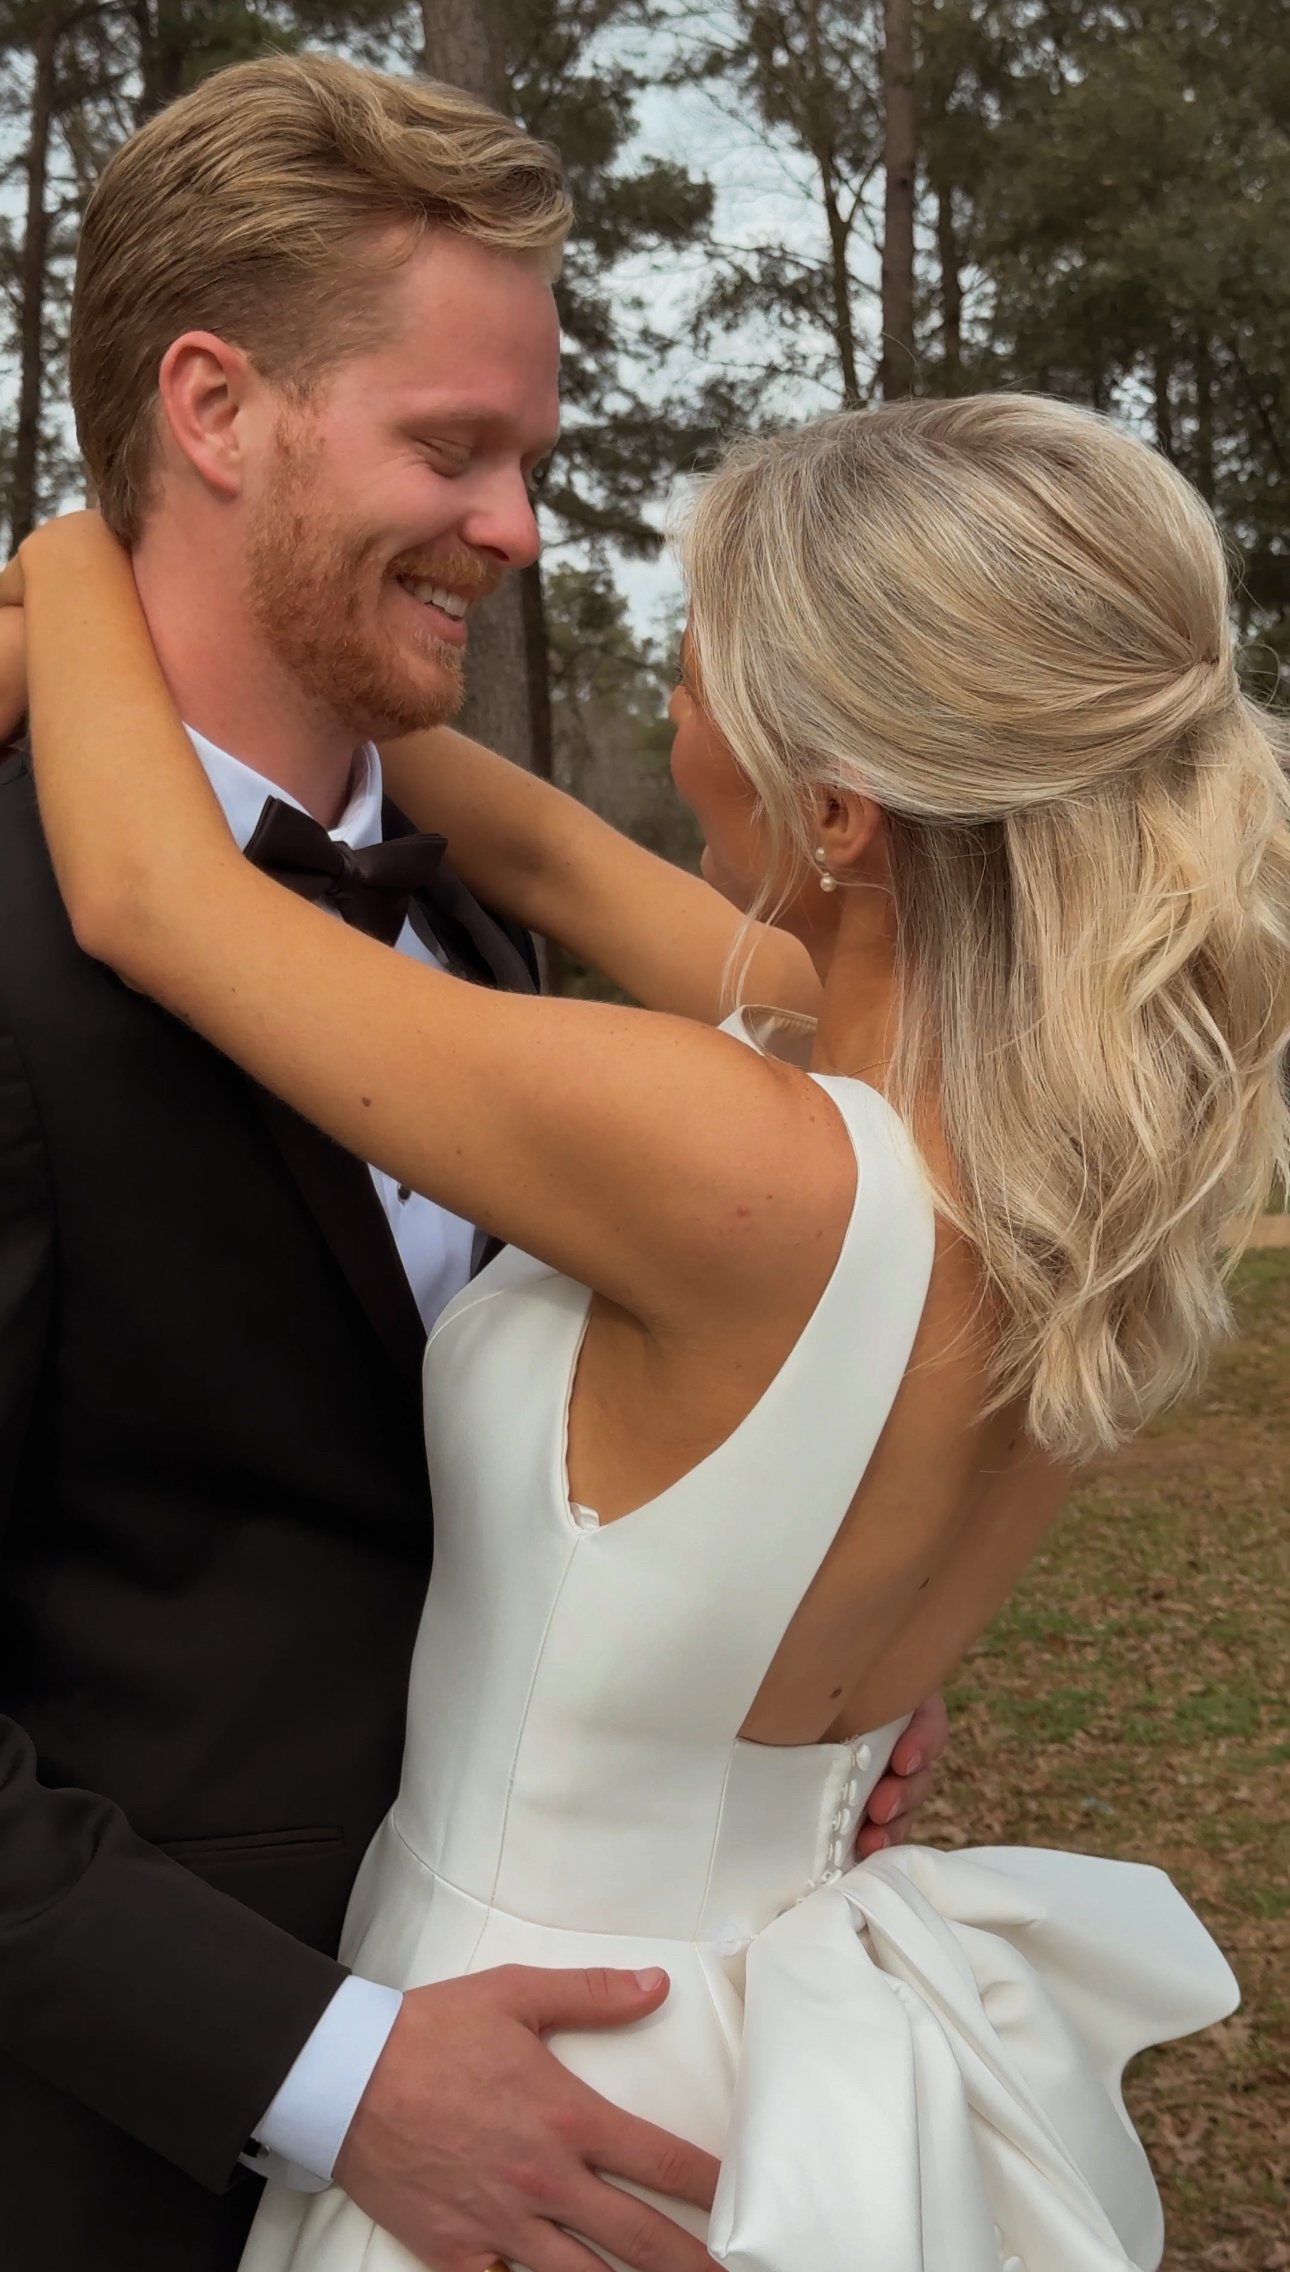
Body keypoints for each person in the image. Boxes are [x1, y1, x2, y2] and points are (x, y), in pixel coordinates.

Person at [13, 384, 1284, 2272]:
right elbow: (528, 857)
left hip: (532, 2061)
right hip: (765, 2038)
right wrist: (264, 618)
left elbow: (154, 899)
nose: (672, 704)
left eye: (699, 671)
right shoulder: (1074, 1149)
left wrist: (69, 554)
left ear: (837, 806)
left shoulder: (733, 1163)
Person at [0, 50, 940, 2272]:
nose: (520, 525)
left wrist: (788, 1678)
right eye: (453, 447)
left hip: (594, 2120)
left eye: (526, 450)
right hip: (120, 2160)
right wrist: (318, 2063)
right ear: (212, 410)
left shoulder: (474, 901)